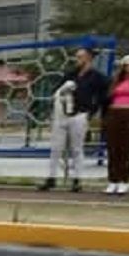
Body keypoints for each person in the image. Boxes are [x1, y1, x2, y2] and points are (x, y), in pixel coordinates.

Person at [43, 47, 107, 192]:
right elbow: (58, 91)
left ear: (89, 58)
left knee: (77, 149)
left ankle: (77, 180)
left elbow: (103, 95)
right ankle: (51, 178)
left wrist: (91, 111)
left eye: (80, 57)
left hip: (79, 115)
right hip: (62, 115)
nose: (77, 60)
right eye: (77, 57)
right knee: (55, 148)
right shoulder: (70, 74)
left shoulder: (97, 77)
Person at [102, 55, 129, 194]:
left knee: (126, 149)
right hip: (114, 114)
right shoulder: (115, 80)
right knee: (113, 149)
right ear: (125, 66)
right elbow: (106, 100)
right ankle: (112, 180)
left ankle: (124, 180)